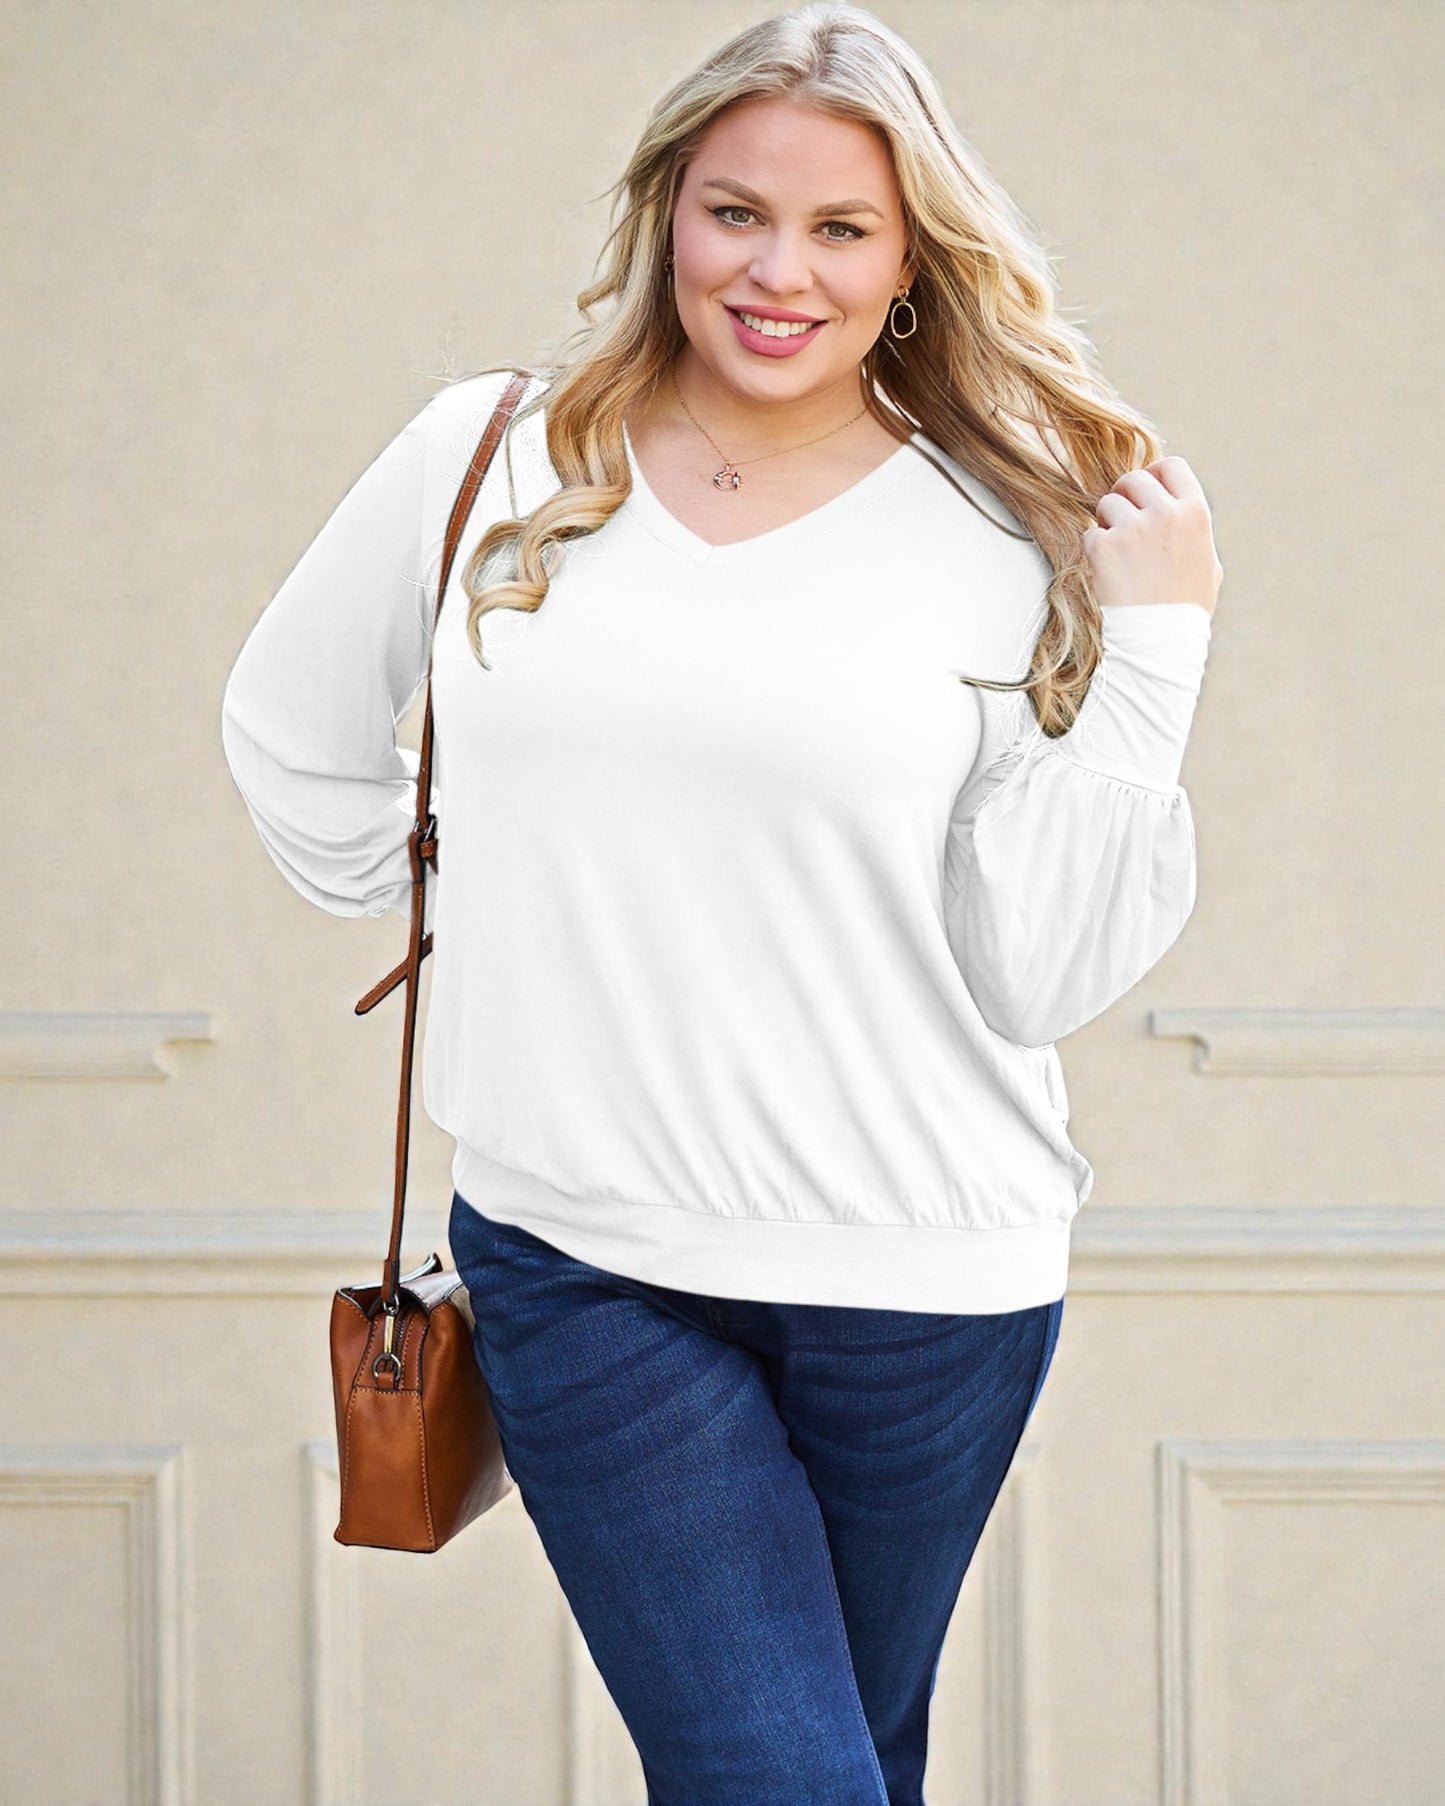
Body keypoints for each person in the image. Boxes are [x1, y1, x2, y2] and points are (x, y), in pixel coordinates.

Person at [220, 5, 1223, 1800]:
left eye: (840, 227)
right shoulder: (488, 455)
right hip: (582, 1258)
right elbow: (291, 731)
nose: (777, 272)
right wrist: (476, 907)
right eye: (734, 212)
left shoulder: (1008, 525)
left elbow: (1040, 969)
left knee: (848, 1760)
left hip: (927, 1277)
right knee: (781, 1778)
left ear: (909, 259)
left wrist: (1155, 652)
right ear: (663, 210)